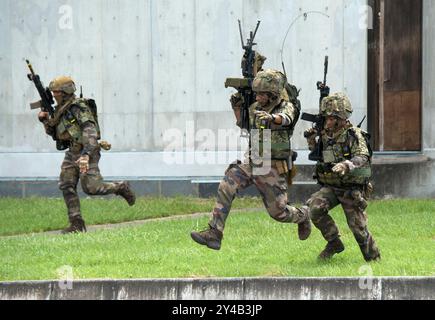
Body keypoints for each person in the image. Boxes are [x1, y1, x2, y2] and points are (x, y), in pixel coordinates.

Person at [190, 69, 311, 250]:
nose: (258, 97)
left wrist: (271, 118)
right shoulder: (255, 108)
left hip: (272, 167)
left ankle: (304, 214)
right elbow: (246, 126)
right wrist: (237, 109)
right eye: (257, 93)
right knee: (227, 184)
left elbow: (286, 119)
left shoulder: (286, 106)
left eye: (262, 94)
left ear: (273, 95)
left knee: (279, 213)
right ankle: (214, 233)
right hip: (252, 162)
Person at [37, 76, 136, 234]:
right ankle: (76, 223)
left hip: (86, 150)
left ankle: (121, 187)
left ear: (65, 92)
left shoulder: (79, 107)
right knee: (66, 184)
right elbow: (56, 133)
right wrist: (44, 121)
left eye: (56, 92)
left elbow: (90, 131)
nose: (54, 95)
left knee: (92, 188)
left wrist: (86, 155)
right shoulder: (61, 110)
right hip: (72, 152)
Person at [302, 92, 381, 261]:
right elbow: (320, 156)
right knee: (314, 209)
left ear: (341, 118)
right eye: (326, 118)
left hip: (350, 189)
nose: (327, 122)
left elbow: (362, 156)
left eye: (331, 118)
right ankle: (334, 242)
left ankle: (374, 258)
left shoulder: (354, 135)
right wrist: (311, 140)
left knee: (358, 228)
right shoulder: (325, 134)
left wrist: (346, 164)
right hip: (332, 186)